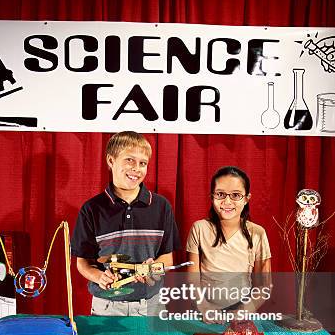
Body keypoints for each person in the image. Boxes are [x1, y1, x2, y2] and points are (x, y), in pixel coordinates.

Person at [72, 131, 180, 316]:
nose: (136, 168)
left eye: (142, 163)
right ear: (111, 160)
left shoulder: (161, 206)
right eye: (129, 160)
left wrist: (152, 269)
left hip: (152, 305)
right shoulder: (91, 209)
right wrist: (99, 276)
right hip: (106, 306)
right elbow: (83, 263)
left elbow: (167, 258)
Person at [186, 166, 271, 319]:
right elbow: (192, 281)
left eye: (236, 195)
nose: (227, 201)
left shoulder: (258, 233)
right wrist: (204, 307)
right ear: (212, 197)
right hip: (204, 311)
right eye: (220, 194)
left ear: (246, 199)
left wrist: (243, 311)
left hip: (242, 310)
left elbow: (264, 286)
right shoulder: (199, 228)